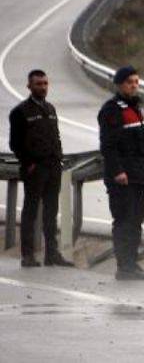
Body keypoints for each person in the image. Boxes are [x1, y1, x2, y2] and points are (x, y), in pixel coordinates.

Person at [9, 70, 73, 267]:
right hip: (35, 170)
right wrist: (30, 163)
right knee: (31, 211)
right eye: (38, 84)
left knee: (51, 212)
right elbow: (16, 144)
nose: (43, 87)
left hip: (53, 167)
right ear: (29, 86)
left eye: (45, 83)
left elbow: (56, 136)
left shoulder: (51, 109)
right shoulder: (20, 112)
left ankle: (51, 254)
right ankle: (27, 255)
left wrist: (59, 159)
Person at [97, 66, 144, 281]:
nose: (134, 85)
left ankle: (133, 263)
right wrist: (117, 171)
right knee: (124, 221)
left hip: (139, 176)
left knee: (137, 221)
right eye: (130, 82)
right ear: (120, 84)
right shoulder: (112, 110)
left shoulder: (136, 109)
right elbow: (108, 147)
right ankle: (124, 267)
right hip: (122, 179)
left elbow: (143, 144)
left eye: (136, 81)